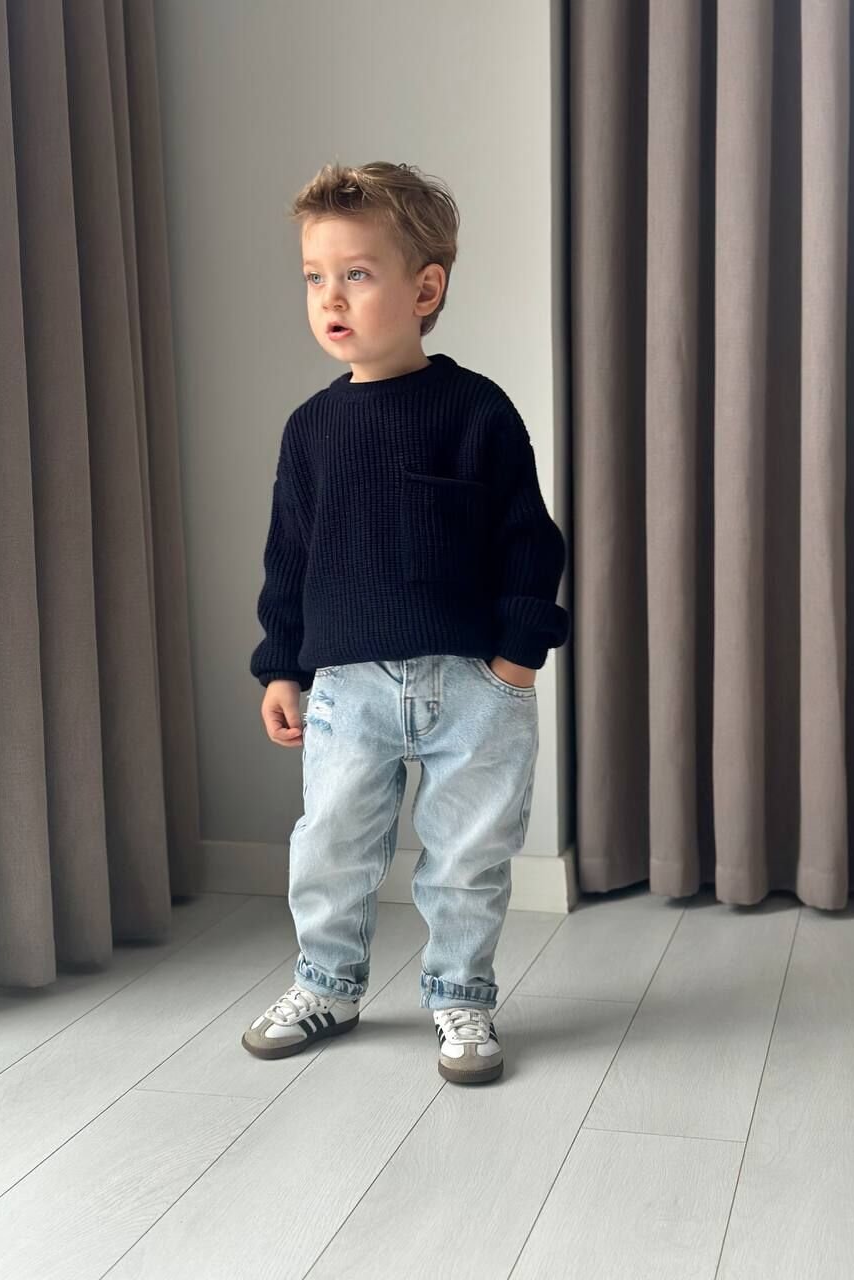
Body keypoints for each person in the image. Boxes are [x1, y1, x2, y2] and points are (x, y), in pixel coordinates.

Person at [241, 161, 569, 1085]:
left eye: (357, 273)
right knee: (330, 849)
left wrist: (516, 662)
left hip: (476, 687)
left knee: (468, 859)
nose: (330, 297)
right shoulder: (310, 429)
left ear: (425, 290)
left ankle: (461, 994)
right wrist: (281, 666)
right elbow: (289, 560)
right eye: (315, 276)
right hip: (347, 689)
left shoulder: (477, 410)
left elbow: (529, 539)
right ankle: (327, 985)